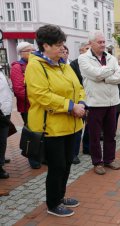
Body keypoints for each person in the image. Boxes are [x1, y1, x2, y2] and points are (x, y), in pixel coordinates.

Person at [25, 25, 86, 217]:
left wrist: (81, 102)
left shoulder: (63, 64)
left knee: (67, 163)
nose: (62, 48)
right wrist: (70, 106)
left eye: (63, 44)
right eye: (58, 45)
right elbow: (40, 95)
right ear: (45, 46)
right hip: (51, 127)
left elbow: (78, 87)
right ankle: (53, 203)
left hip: (71, 125)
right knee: (57, 166)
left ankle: (60, 196)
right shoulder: (35, 66)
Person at [79, 31, 120, 175]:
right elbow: (95, 74)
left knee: (111, 134)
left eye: (104, 42)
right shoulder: (83, 59)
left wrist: (104, 76)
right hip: (95, 103)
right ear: (91, 43)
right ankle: (97, 162)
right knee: (95, 135)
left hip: (112, 102)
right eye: (100, 42)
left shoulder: (110, 57)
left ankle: (109, 159)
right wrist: (109, 72)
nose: (103, 45)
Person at [10, 42, 41, 169]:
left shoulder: (37, 64)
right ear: (20, 53)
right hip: (28, 106)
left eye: (33, 50)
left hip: (40, 105)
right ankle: (32, 157)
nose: (32, 52)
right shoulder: (17, 67)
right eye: (28, 50)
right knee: (32, 133)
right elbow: (19, 90)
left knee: (41, 131)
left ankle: (41, 155)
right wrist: (36, 101)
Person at [0, 70, 13, 179]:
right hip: (1, 111)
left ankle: (1, 158)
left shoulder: (1, 70)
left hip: (5, 110)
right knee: (0, 140)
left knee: (3, 139)